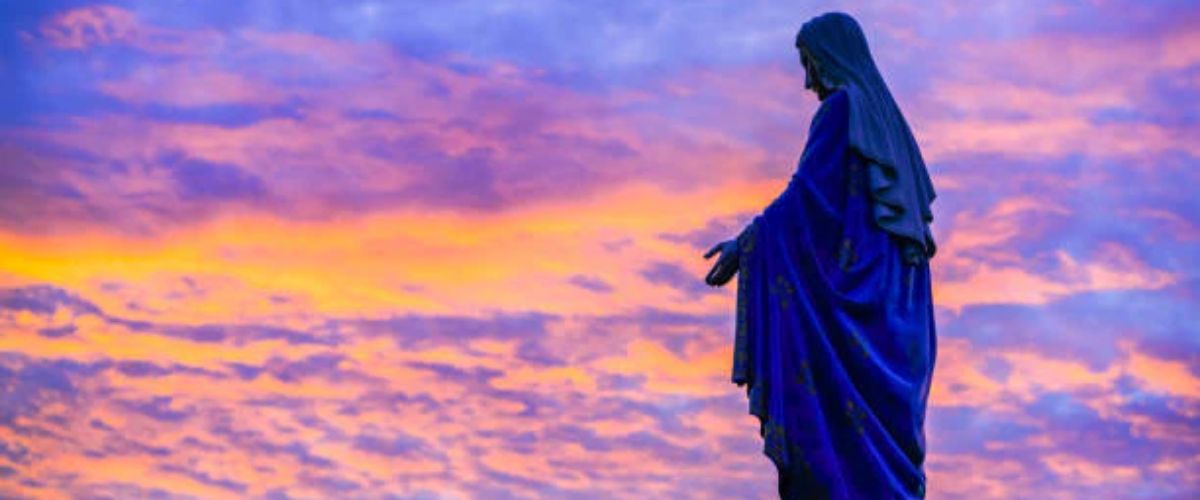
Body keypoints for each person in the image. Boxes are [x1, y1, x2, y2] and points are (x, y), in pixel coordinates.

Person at [702, 11, 938, 499]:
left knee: (833, 459)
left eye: (809, 63)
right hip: (896, 327)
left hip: (855, 322)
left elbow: (806, 198)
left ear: (830, 58)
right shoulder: (892, 130)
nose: (808, 81)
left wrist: (746, 245)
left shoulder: (841, 111)